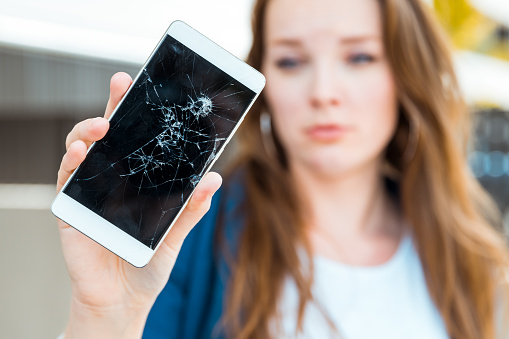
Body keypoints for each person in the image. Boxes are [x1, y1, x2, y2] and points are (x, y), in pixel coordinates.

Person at [56, 0, 509, 338]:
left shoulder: (466, 252)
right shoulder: (186, 234)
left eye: (360, 57)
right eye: (291, 61)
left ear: (408, 72)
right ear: (265, 83)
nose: (324, 92)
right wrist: (104, 313)